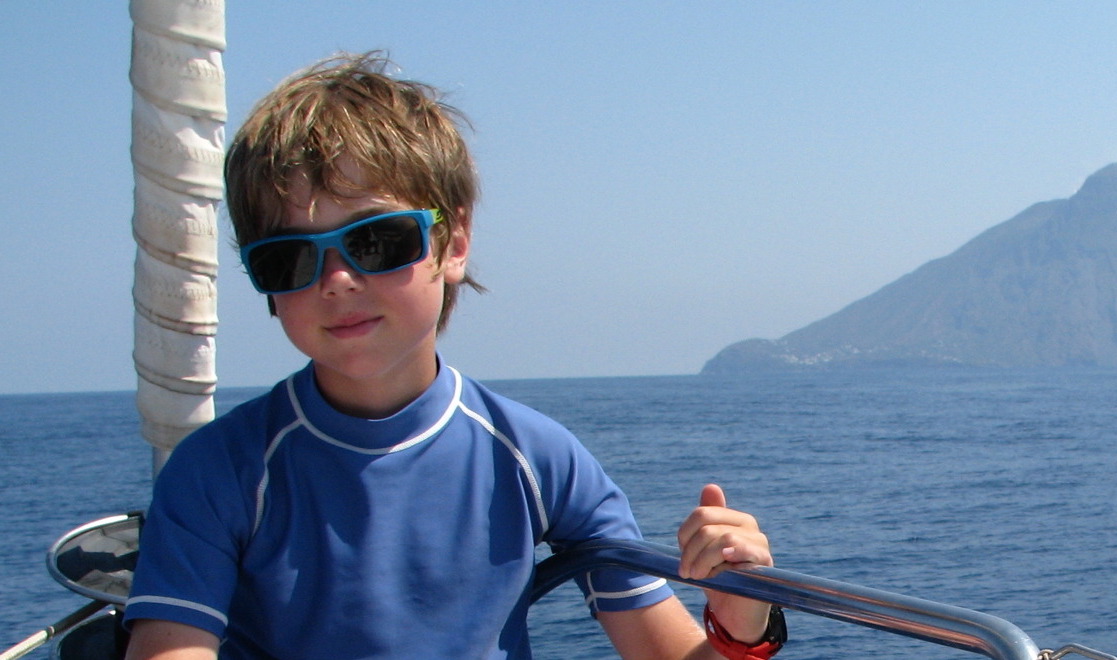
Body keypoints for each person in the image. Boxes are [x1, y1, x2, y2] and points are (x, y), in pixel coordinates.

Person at [123, 52, 782, 660]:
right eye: (289, 257)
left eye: (376, 241)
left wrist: (740, 618)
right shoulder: (217, 474)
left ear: (454, 242)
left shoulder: (535, 459)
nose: (337, 280)